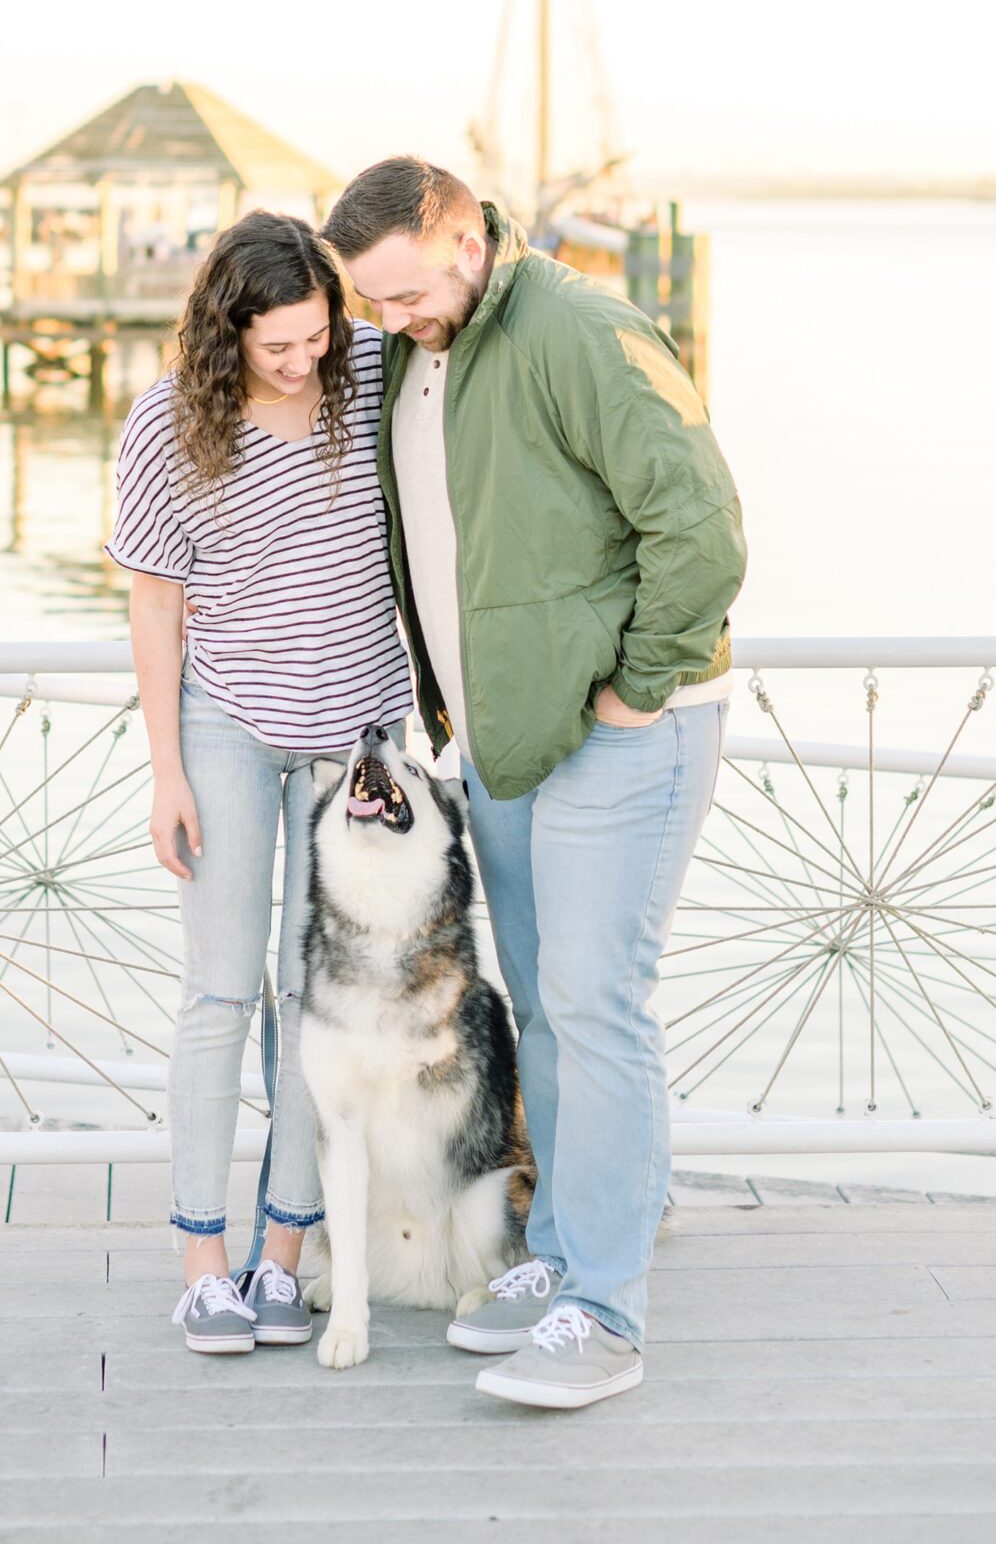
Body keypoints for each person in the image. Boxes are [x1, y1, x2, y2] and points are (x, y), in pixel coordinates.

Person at [323, 157, 746, 1410]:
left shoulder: (579, 330)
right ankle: (560, 1251)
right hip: (505, 742)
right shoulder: (418, 348)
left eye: (401, 296)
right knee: (548, 1012)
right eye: (371, 308)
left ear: (462, 236)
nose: (387, 325)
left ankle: (604, 1312)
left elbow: (703, 528)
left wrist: (634, 686)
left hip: (623, 730)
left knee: (598, 1003)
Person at [109, 211, 412, 1356]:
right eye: (276, 346)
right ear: (224, 329)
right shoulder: (166, 422)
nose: (303, 363)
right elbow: (153, 602)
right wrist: (166, 770)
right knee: (221, 992)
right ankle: (201, 1264)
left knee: (317, 1007)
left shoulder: (367, 371)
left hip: (354, 742)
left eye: (316, 338)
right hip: (228, 726)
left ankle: (281, 1258)